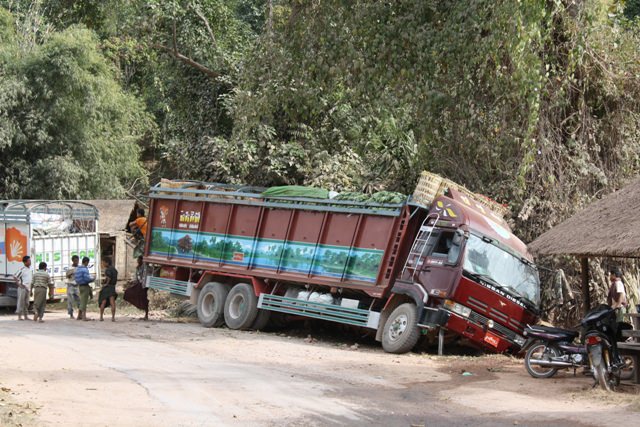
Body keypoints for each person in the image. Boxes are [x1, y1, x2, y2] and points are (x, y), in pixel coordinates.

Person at [124, 256, 149, 320]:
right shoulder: (138, 268)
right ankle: (141, 308)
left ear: (142, 260)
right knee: (128, 292)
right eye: (137, 260)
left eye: (138, 260)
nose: (137, 261)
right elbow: (137, 277)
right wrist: (133, 282)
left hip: (144, 285)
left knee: (144, 298)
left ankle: (146, 314)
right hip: (139, 284)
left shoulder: (144, 267)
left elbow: (145, 276)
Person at [74, 256, 95, 321]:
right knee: (84, 302)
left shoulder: (78, 269)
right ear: (86, 262)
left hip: (80, 286)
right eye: (87, 262)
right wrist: (93, 279)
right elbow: (87, 278)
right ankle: (84, 317)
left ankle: (79, 316)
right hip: (85, 286)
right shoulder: (84, 269)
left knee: (82, 300)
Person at [99, 258, 118, 322]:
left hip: (107, 287)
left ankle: (101, 317)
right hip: (112, 287)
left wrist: (106, 284)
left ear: (107, 262)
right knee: (112, 302)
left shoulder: (108, 270)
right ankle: (113, 317)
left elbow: (109, 278)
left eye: (103, 262)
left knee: (103, 301)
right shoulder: (114, 269)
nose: (103, 264)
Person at [14, 256, 32, 320]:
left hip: (28, 288)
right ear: (25, 262)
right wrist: (19, 285)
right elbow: (15, 276)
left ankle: (26, 316)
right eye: (29, 261)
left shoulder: (30, 269)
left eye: (30, 260)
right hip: (23, 288)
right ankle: (19, 316)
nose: (30, 262)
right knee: (21, 302)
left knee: (27, 303)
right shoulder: (22, 270)